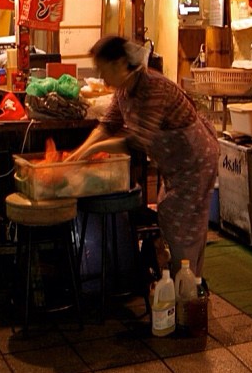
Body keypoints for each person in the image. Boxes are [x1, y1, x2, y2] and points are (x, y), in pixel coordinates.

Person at [66, 35, 219, 278]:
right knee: (174, 217)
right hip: (174, 164)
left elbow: (136, 142)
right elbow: (108, 124)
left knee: (182, 226)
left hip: (194, 162)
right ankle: (187, 284)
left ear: (119, 64)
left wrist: (93, 151)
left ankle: (187, 292)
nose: (101, 76)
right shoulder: (124, 89)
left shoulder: (152, 88)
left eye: (103, 69)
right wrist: (79, 153)